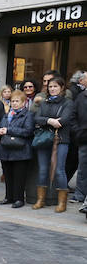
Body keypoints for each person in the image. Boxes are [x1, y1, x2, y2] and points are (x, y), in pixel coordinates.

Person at [31, 76, 74, 211]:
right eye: (50, 87)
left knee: (59, 170)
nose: (52, 89)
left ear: (61, 88)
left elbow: (65, 120)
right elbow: (37, 118)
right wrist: (50, 120)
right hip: (44, 140)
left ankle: (62, 203)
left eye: (55, 86)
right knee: (43, 169)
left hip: (61, 140)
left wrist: (48, 120)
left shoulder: (68, 103)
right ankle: (40, 200)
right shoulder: (44, 103)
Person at [0, 90, 34, 208]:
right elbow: (1, 126)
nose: (15, 103)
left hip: (21, 150)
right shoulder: (7, 114)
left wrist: (8, 131)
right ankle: (9, 197)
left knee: (19, 176)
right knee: (8, 174)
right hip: (6, 148)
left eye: (17, 101)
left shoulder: (28, 115)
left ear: (23, 102)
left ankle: (19, 199)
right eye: (12, 101)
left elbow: (28, 131)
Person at [71, 71, 87, 205]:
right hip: (84, 138)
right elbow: (73, 116)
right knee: (82, 169)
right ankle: (79, 195)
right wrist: (78, 131)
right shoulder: (81, 97)